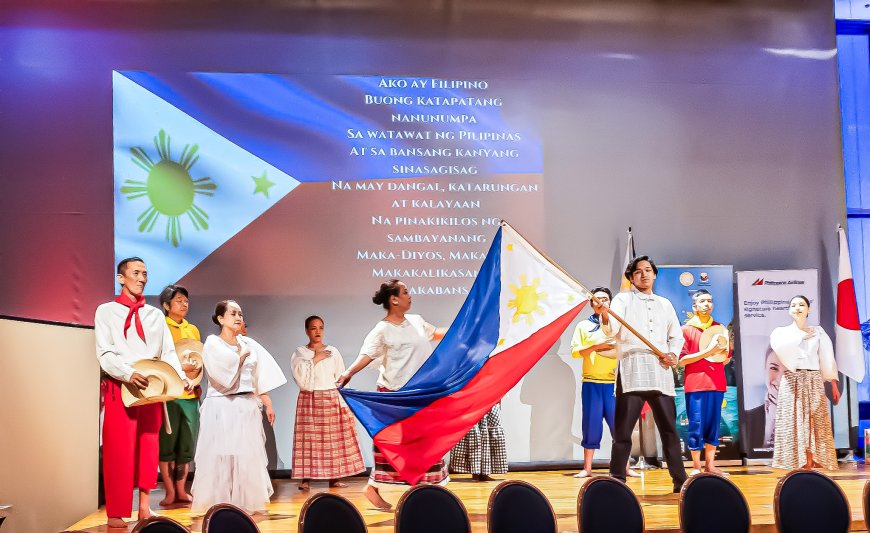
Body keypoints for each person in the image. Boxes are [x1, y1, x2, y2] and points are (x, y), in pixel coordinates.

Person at [336, 279, 448, 510]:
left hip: (421, 394)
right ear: (393, 299)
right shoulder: (382, 329)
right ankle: (373, 488)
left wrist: (466, 326)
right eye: (405, 292)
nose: (410, 295)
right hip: (395, 397)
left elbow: (436, 333)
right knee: (393, 447)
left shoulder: (416, 321)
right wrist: (348, 372)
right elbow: (367, 354)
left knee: (428, 444)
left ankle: (428, 490)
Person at [94, 257, 188, 528]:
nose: (142, 278)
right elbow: (105, 352)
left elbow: (167, 352)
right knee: (118, 450)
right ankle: (117, 510)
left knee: (149, 447)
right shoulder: (106, 311)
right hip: (121, 387)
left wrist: (181, 380)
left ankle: (145, 507)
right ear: (121, 278)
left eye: (145, 273)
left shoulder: (154, 314)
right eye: (135, 273)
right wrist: (126, 373)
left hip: (152, 388)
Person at [594, 256, 688, 493]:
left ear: (654, 274)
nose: (644, 275)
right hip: (632, 369)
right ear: (631, 277)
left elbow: (676, 336)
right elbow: (612, 329)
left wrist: (673, 355)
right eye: (638, 272)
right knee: (624, 432)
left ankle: (681, 481)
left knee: (669, 431)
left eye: (648, 270)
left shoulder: (665, 304)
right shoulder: (623, 299)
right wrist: (605, 314)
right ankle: (617, 480)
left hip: (660, 370)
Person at [191, 300, 287, 513]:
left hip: (246, 405)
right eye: (233, 313)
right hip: (222, 407)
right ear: (220, 318)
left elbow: (259, 376)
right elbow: (222, 375)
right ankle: (221, 505)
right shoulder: (213, 343)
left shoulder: (248, 344)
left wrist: (267, 401)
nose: (238, 318)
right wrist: (239, 359)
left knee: (246, 457)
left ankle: (243, 505)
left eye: (240, 314)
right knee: (222, 457)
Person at [570, 287, 639, 478]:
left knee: (620, 427)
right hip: (592, 383)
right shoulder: (583, 326)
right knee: (590, 425)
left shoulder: (619, 326)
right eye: (597, 299)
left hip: (615, 384)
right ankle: (587, 468)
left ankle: (624, 467)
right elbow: (576, 352)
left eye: (605, 299)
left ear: (610, 302)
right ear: (591, 303)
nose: (601, 302)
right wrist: (596, 346)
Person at [290, 315, 365, 491]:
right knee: (308, 439)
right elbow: (299, 375)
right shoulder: (301, 352)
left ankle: (334, 478)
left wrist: (344, 400)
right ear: (307, 331)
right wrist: (315, 358)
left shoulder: (333, 351)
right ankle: (305, 479)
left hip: (330, 396)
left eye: (321, 328)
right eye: (314, 328)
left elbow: (341, 376)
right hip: (310, 398)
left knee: (333, 439)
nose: (318, 332)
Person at [770, 295, 839, 471]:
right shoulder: (781, 332)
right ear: (789, 310)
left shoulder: (818, 332)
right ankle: (796, 462)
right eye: (793, 305)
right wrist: (801, 335)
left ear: (808, 309)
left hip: (814, 378)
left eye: (802, 305)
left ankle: (810, 461)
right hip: (792, 380)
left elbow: (827, 359)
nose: (797, 308)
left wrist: (833, 384)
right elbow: (782, 350)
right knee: (794, 420)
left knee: (815, 419)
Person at [677, 290, 731, 475]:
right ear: (694, 306)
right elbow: (681, 360)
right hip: (695, 384)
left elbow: (725, 358)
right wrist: (708, 352)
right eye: (702, 301)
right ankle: (696, 466)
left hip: (716, 383)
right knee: (696, 424)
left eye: (709, 301)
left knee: (713, 425)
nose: (707, 304)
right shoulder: (685, 330)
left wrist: (719, 353)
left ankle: (710, 465)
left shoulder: (719, 329)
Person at [157, 284, 201, 507]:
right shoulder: (160, 327)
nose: (184, 304)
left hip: (190, 395)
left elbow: (198, 361)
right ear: (166, 305)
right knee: (167, 445)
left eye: (186, 300)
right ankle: (170, 491)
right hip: (169, 394)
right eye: (179, 300)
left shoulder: (192, 329)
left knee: (187, 444)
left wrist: (194, 380)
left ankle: (182, 490)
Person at [448, 403, 507, 482]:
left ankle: (485, 473)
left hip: (491, 400)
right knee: (475, 433)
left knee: (489, 431)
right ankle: (475, 472)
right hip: (474, 400)